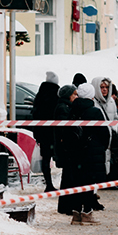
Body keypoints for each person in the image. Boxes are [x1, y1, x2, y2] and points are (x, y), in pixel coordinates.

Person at [69, 83, 110, 225]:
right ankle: (87, 214)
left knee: (76, 183)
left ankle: (75, 214)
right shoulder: (94, 112)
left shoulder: (71, 110)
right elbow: (105, 134)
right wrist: (102, 147)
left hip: (75, 152)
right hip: (92, 152)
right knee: (89, 184)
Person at [54, 85, 82, 215]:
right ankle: (66, 206)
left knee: (68, 177)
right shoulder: (63, 108)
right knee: (68, 178)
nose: (76, 97)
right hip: (67, 148)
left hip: (67, 147)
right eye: (74, 94)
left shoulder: (66, 107)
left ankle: (66, 206)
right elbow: (64, 130)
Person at [31, 71, 61, 192]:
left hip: (43, 132)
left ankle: (48, 183)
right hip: (54, 132)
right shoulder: (57, 94)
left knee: (46, 158)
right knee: (60, 157)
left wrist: (37, 133)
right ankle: (63, 184)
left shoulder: (40, 94)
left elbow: (35, 113)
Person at [94, 77, 118, 186]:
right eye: (102, 87)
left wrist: (113, 129)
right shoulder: (94, 103)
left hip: (111, 136)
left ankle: (112, 180)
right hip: (100, 137)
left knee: (113, 159)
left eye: (107, 87)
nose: (105, 90)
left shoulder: (111, 101)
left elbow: (116, 117)